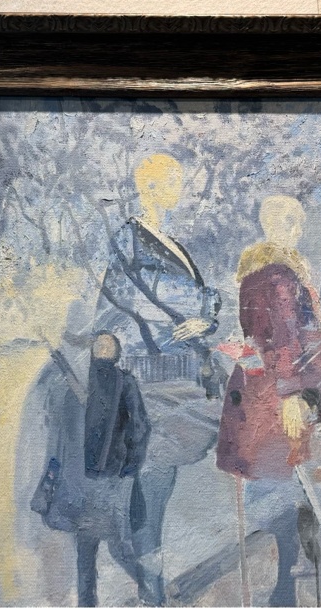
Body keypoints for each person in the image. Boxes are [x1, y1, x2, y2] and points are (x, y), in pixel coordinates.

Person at [216, 195, 321, 606]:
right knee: (300, 474)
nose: (296, 231)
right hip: (286, 389)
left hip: (270, 386)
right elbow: (282, 337)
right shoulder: (279, 276)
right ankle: (292, 582)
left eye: (298, 223)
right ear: (273, 225)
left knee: (289, 479)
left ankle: (291, 579)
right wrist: (291, 393)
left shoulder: (258, 273)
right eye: (289, 223)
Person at [89, 153, 223, 605]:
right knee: (153, 477)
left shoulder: (173, 242)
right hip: (149, 372)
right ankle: (151, 583)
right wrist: (182, 315)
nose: (178, 189)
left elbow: (203, 297)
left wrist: (204, 320)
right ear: (147, 187)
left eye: (178, 180)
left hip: (182, 371)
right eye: (170, 181)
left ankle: (149, 571)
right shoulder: (129, 239)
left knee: (160, 479)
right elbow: (126, 299)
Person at [30, 332, 150, 607]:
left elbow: (60, 434)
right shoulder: (122, 382)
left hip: (90, 483)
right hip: (106, 481)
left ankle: (97, 600)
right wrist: (130, 465)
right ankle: (146, 588)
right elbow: (140, 427)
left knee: (93, 548)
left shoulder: (84, 384)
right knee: (113, 545)